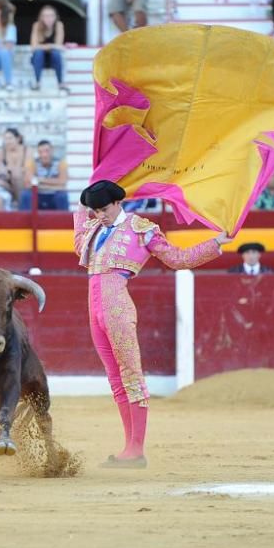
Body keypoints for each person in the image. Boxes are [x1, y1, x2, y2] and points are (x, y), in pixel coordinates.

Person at [75, 180, 229, 469]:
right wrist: (82, 210)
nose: (100, 214)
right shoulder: (94, 227)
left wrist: (216, 243)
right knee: (115, 378)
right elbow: (77, 244)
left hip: (117, 307)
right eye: (95, 210)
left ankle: (137, 449)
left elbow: (178, 258)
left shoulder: (140, 228)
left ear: (118, 203)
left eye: (104, 209)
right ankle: (128, 448)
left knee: (131, 374)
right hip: (94, 307)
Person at [20, 140, 69, 211]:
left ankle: (64, 221)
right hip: (37, 195)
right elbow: (28, 184)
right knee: (26, 195)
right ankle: (24, 222)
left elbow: (63, 182)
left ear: (52, 150)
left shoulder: (61, 163)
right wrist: (55, 184)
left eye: (47, 151)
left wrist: (40, 180)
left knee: (62, 196)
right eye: (40, 152)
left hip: (54, 195)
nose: (44, 155)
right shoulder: (32, 163)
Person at [30, 5, 68, 93]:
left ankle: (60, 83)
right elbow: (33, 47)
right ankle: (37, 82)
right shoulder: (36, 25)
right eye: (46, 16)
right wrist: (52, 45)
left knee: (56, 53)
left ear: (55, 17)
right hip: (38, 60)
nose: (49, 18)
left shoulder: (59, 25)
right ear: (41, 17)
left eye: (51, 15)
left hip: (53, 59)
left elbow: (59, 46)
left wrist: (45, 46)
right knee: (38, 53)